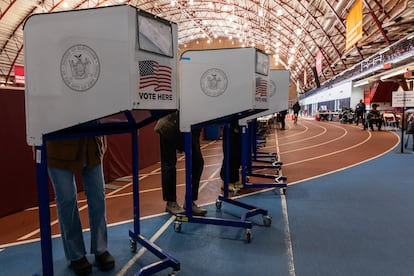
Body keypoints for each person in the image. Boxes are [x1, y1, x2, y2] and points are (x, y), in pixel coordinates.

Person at [47, 136, 115, 275]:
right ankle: (75, 255)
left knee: (98, 196)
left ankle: (100, 248)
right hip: (58, 146)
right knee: (67, 201)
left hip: (91, 143)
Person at [155, 111, 207, 216]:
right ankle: (171, 202)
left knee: (198, 162)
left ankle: (190, 201)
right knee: (169, 164)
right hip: (169, 126)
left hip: (190, 125)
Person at [220, 120, 242, 192]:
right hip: (231, 124)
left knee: (237, 155)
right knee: (231, 154)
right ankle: (226, 182)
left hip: (238, 123)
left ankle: (234, 181)